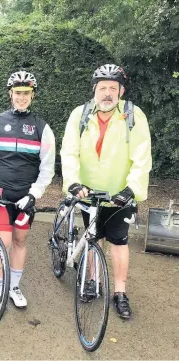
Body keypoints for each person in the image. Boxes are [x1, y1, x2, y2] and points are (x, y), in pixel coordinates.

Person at [61, 64, 152, 319]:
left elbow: (142, 157)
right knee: (92, 237)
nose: (107, 93)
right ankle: (92, 281)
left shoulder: (134, 115)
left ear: (121, 91)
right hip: (88, 192)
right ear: (94, 90)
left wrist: (131, 189)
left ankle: (120, 292)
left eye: (113, 88)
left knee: (119, 242)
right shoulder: (80, 114)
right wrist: (73, 181)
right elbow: (69, 151)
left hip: (120, 195)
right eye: (103, 88)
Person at [0, 70, 55, 315]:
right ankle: (0, 293)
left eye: (26, 93)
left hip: (25, 199)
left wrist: (34, 194)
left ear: (32, 95)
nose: (22, 97)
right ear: (10, 94)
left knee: (20, 241)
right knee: (4, 243)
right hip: (0, 196)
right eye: (18, 93)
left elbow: (47, 167)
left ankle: (14, 288)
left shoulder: (42, 128)